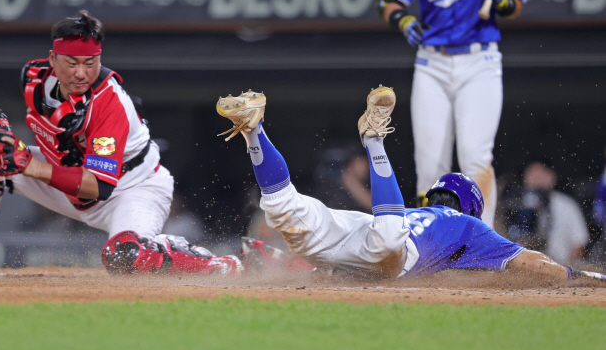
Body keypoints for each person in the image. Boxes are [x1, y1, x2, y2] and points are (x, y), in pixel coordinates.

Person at [0, 10, 241, 277]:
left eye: (90, 62)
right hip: (68, 177)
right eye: (72, 62)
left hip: (131, 188)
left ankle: (206, 261)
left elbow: (97, 187)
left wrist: (28, 163)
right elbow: (26, 146)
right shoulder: (33, 80)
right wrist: (4, 137)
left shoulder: (110, 103)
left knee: (125, 256)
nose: (82, 73)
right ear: (53, 60)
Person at [215, 85, 606, 283]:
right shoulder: (469, 227)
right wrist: (586, 278)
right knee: (387, 236)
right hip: (387, 246)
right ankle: (374, 141)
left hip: (355, 236)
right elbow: (533, 263)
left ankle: (254, 131)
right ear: (469, 206)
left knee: (285, 207)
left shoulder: (424, 212)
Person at [378, 0, 527, 229]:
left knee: (477, 156)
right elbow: (390, 1)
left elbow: (516, 4)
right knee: (430, 163)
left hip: (480, 60)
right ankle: (428, 236)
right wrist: (403, 21)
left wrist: (501, 0)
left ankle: (483, 237)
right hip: (432, 63)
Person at [503, 161, 590, 267]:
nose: (537, 178)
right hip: (523, 266)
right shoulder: (514, 204)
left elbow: (580, 243)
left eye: (541, 173)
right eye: (532, 173)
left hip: (559, 266)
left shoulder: (566, 204)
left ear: (552, 176)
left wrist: (568, 268)